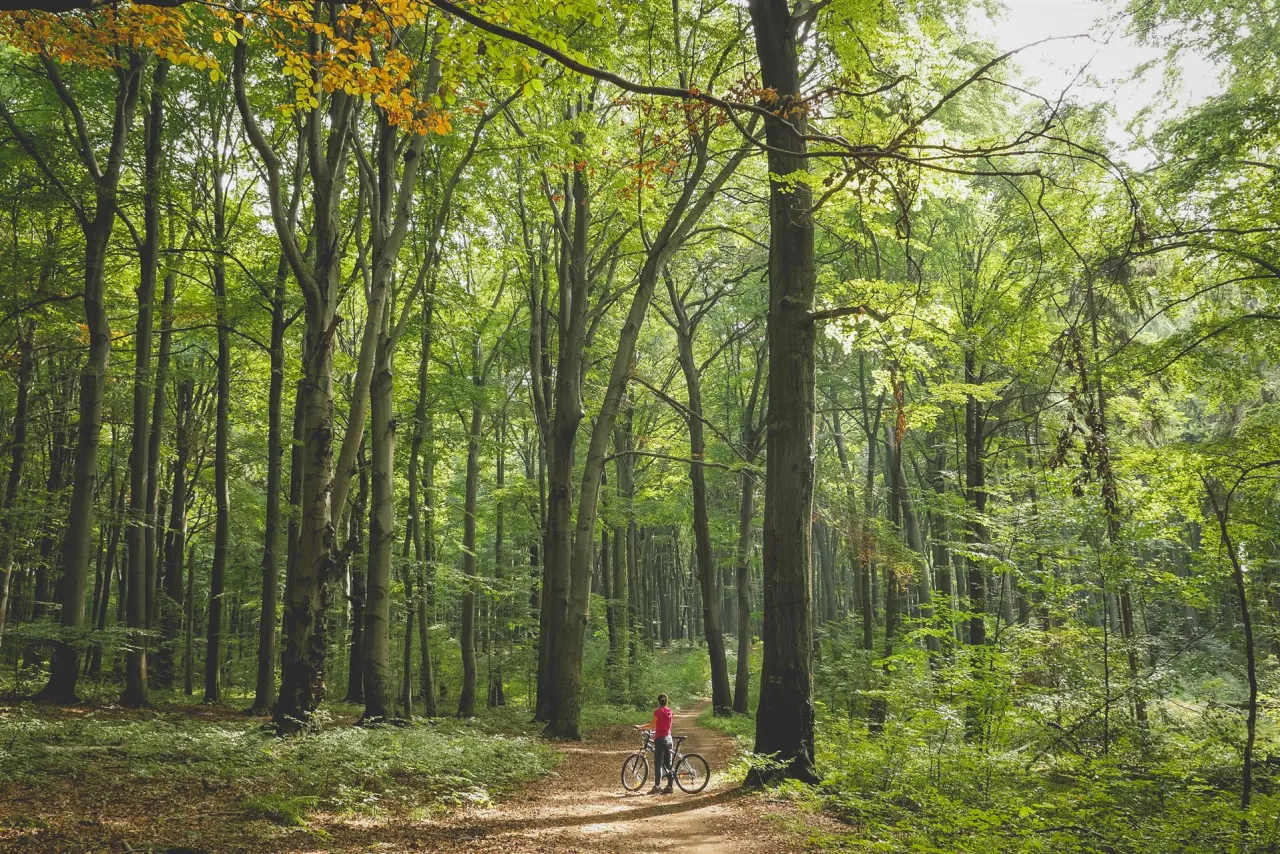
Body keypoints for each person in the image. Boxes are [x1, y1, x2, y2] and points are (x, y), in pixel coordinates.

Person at [635, 693, 674, 794]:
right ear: (666, 701)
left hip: (660, 739)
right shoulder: (669, 711)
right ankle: (670, 786)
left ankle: (657, 786)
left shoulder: (658, 712)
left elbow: (652, 725)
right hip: (669, 739)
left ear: (658, 701)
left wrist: (641, 727)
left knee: (658, 763)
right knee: (668, 763)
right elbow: (667, 725)